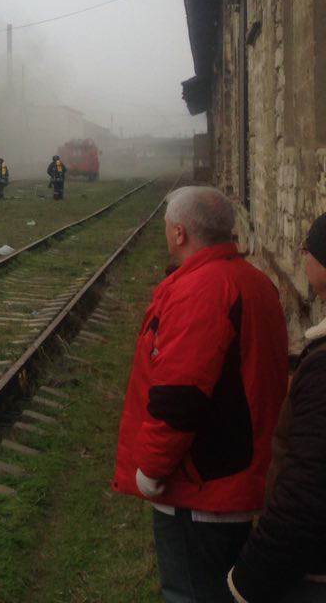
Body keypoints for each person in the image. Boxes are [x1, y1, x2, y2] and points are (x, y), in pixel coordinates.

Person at [112, 186, 288, 603]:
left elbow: (179, 396)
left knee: (191, 592)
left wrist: (150, 470)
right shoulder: (254, 281)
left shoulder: (202, 290)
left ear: (178, 233)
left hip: (199, 492)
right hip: (236, 475)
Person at [226, 213, 326, 603]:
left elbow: (307, 492)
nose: (302, 261)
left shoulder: (322, 370)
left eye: (308, 252)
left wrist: (248, 579)